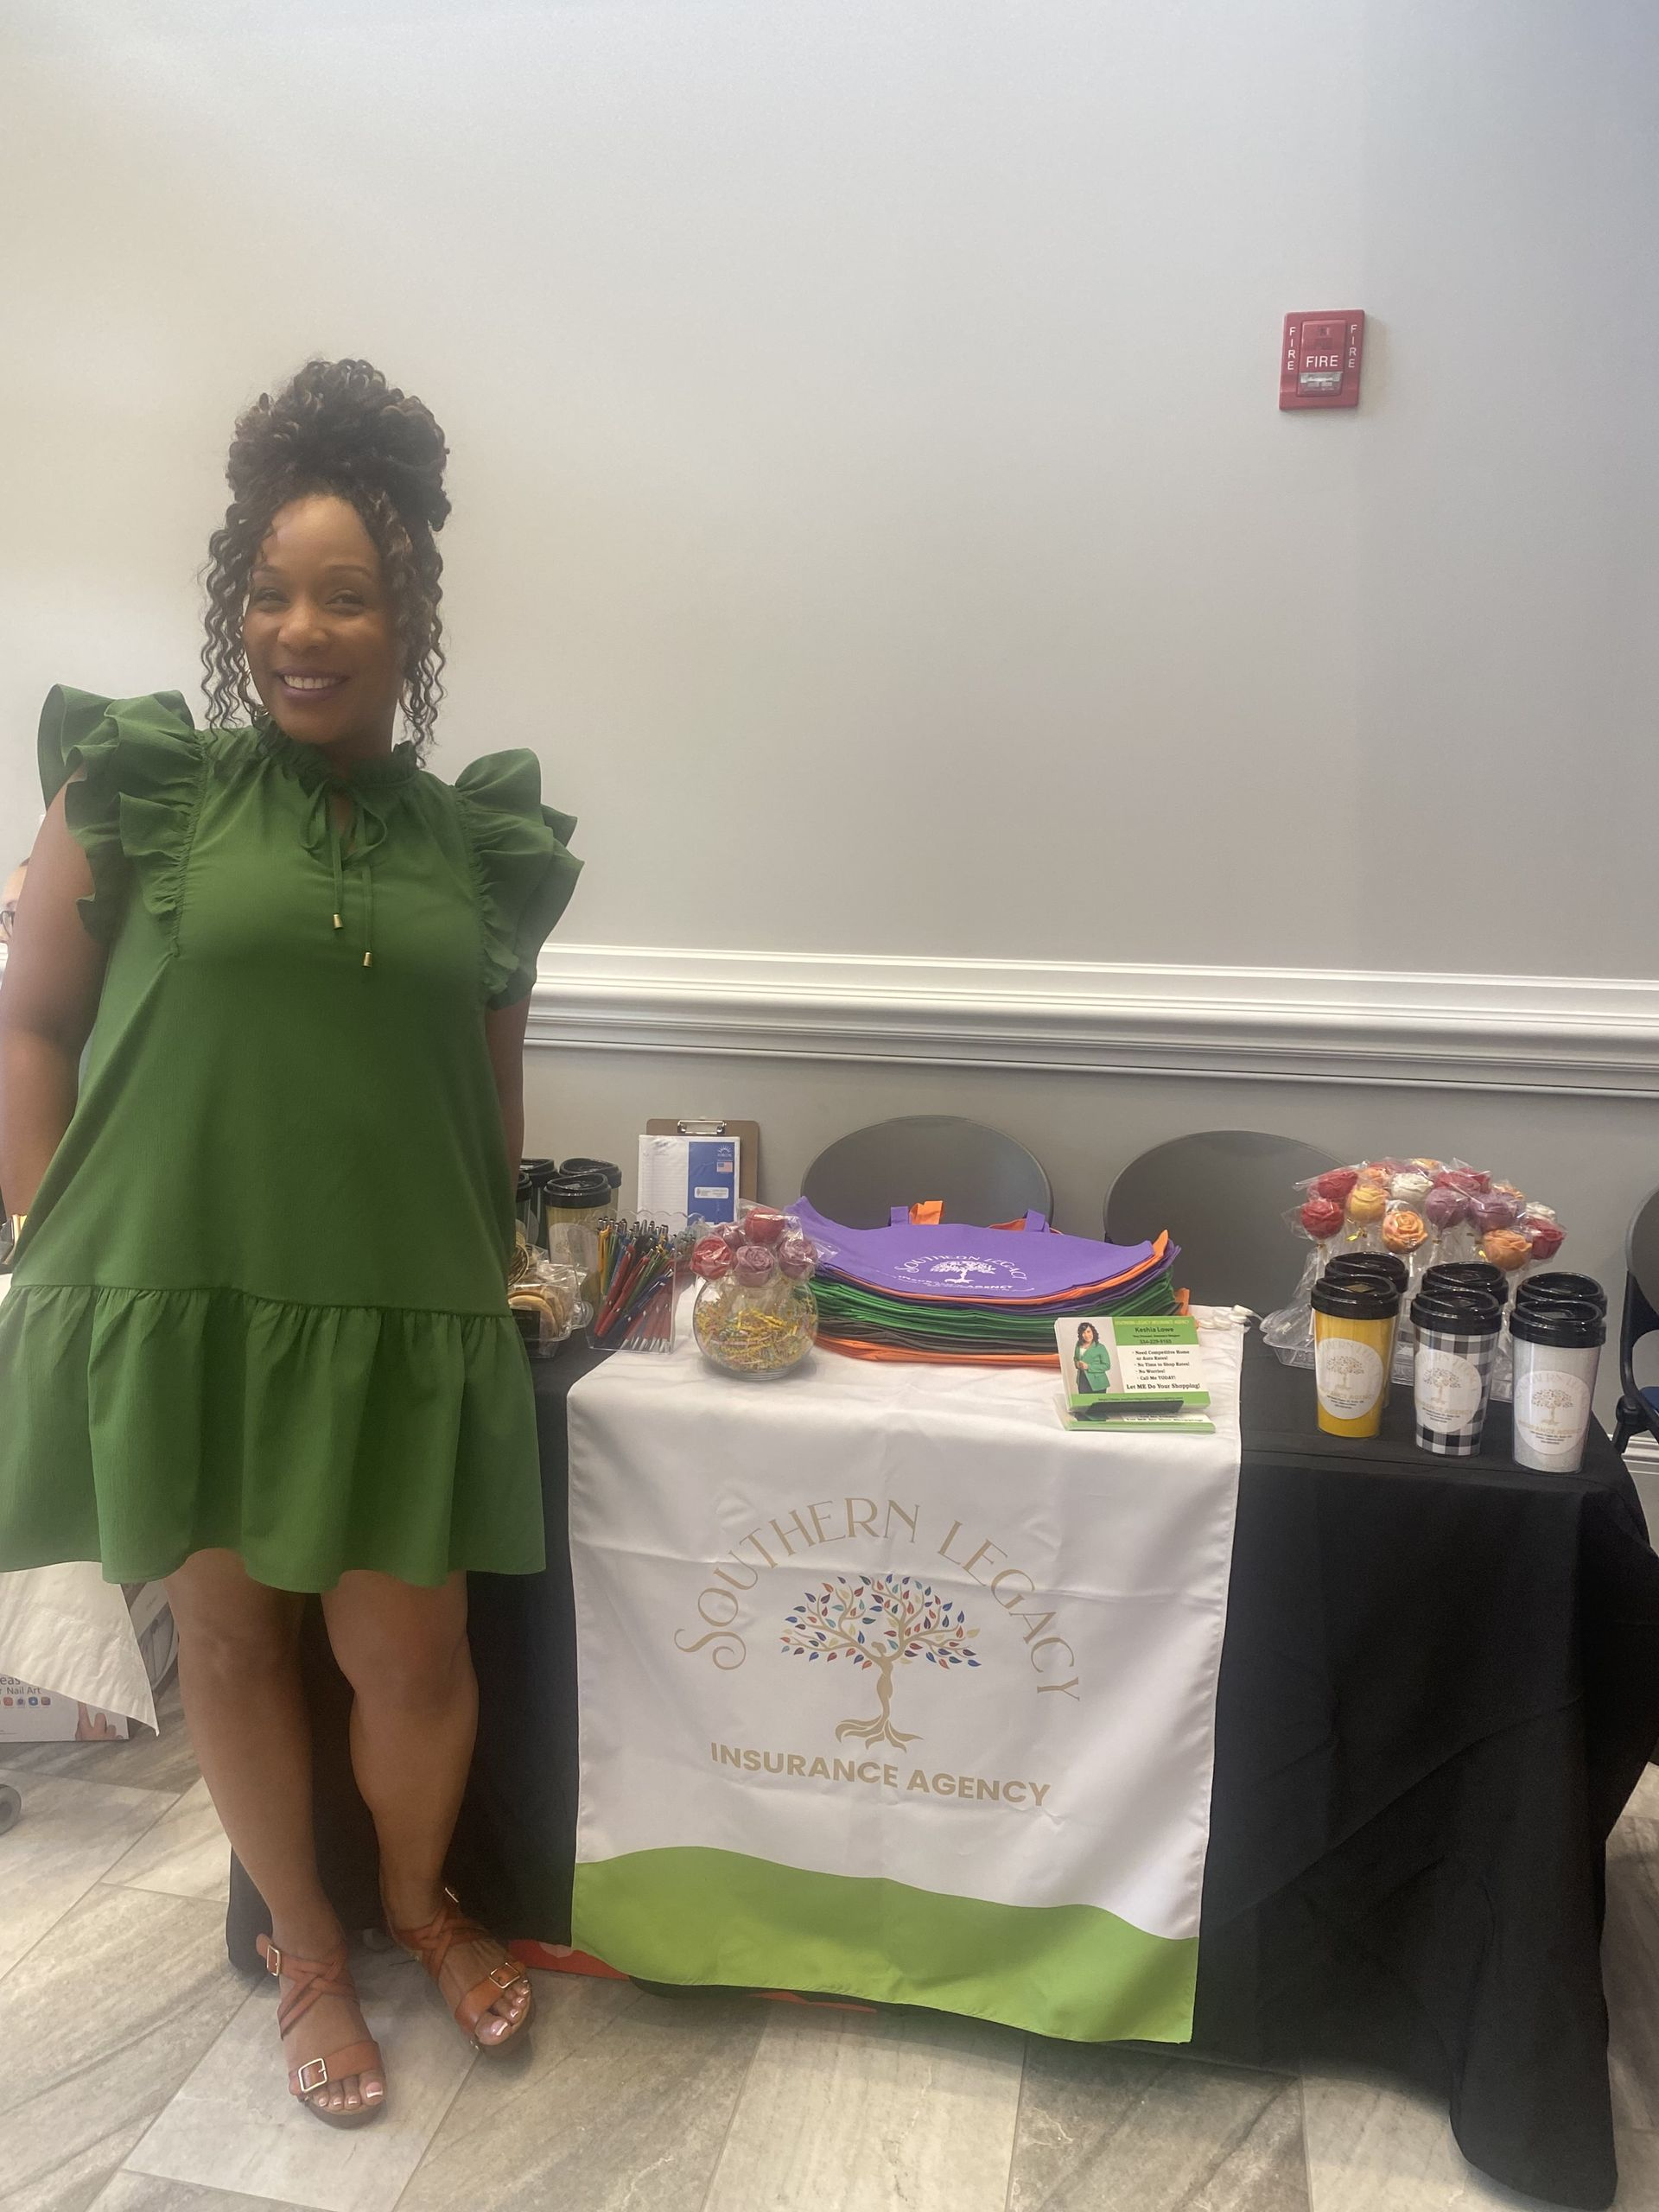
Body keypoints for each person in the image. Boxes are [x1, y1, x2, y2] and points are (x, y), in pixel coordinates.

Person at [0, 359, 582, 2125]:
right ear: (230, 607)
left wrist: (501, 1257)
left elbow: (491, 1081)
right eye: (266, 593)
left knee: (414, 1654)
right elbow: (31, 1020)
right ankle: (312, 1948)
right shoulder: (144, 787)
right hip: (189, 1297)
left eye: (343, 594)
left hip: (402, 1307)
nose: (298, 628)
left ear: (407, 618)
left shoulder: (477, 842)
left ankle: (418, 1896)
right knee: (239, 1649)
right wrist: (46, 1228)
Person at [1073, 1319, 1112, 1396]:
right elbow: (1076, 1358)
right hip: (1082, 1379)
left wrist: (1088, 1366)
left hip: (1097, 1382)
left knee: (1098, 1406)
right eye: (1083, 1333)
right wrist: (1077, 1364)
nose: (1087, 1335)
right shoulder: (1078, 1345)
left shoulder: (1100, 1347)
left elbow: (1107, 1366)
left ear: (1093, 1332)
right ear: (1081, 1335)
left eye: (1088, 1331)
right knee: (1084, 1405)